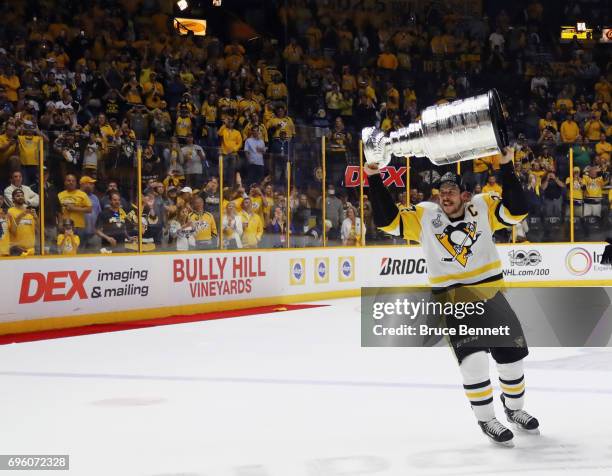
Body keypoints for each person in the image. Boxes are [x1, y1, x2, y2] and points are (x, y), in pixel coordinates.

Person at [364, 146, 539, 445]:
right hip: (455, 302)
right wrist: (373, 177)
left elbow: (518, 210)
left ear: (465, 195)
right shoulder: (424, 215)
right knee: (473, 363)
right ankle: (486, 420)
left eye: (451, 190)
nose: (444, 196)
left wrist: (506, 165)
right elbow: (387, 221)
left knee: (512, 361)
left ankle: (514, 410)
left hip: (491, 295)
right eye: (441, 191)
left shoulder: (482, 207)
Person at [7, 188, 38, 255]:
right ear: (12, 199)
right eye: (18, 196)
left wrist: (36, 218)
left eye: (22, 195)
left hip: (31, 250)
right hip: (17, 251)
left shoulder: (30, 211)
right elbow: (12, 231)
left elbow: (39, 231)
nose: (20, 197)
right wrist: (20, 216)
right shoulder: (9, 212)